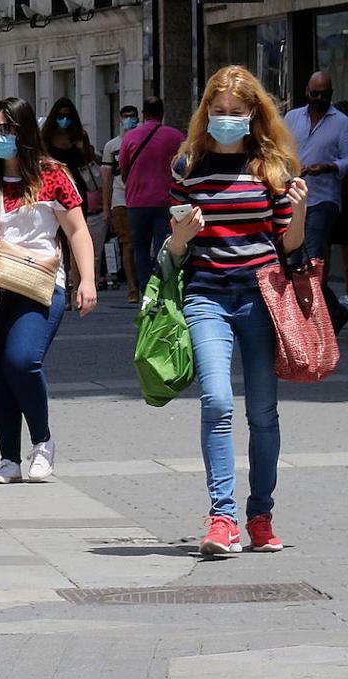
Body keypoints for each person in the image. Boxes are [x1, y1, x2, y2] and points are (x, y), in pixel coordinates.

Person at [167, 65, 308, 556]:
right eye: (217, 111)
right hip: (206, 294)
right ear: (206, 113)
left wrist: (302, 209)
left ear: (253, 114)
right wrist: (179, 239)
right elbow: (174, 251)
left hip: (261, 299)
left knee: (264, 413)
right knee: (218, 403)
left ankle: (261, 516)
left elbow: (288, 243)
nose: (225, 119)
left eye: (235, 112)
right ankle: (222, 517)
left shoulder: (273, 167)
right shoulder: (187, 166)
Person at [0, 97, 98, 484]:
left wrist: (88, 279)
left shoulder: (53, 175)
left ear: (25, 131)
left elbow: (77, 231)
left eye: (7, 129)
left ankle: (43, 442)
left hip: (40, 285)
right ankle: (7, 459)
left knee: (22, 362)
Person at [284, 71, 348, 333]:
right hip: (293, 196)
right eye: (315, 94)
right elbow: (281, 151)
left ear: (331, 95)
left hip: (323, 199)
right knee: (293, 260)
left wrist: (330, 166)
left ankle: (316, 317)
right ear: (307, 92)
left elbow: (347, 159)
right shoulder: (291, 118)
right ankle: (333, 311)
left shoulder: (342, 122)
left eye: (325, 94)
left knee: (312, 260)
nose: (319, 98)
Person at [120, 96, 185, 289]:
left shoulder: (130, 137)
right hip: (166, 201)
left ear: (143, 114)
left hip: (136, 201)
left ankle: (145, 287)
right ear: (162, 113)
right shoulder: (176, 136)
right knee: (163, 246)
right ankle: (161, 287)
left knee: (140, 247)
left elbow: (123, 168)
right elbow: (184, 166)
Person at [41, 97, 106, 291]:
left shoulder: (79, 136)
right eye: (60, 116)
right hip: (52, 191)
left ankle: (78, 287)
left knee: (75, 238)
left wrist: (82, 149)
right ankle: (62, 285)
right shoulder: (47, 136)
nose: (64, 120)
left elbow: (89, 161)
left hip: (76, 192)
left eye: (67, 116)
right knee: (59, 240)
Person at [102, 104, 141, 301]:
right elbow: (107, 178)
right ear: (120, 118)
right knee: (127, 244)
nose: (129, 120)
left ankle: (142, 284)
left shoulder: (143, 140)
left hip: (142, 199)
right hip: (120, 200)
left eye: (132, 116)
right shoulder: (112, 146)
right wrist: (106, 206)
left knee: (141, 244)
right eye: (126, 116)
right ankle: (132, 288)